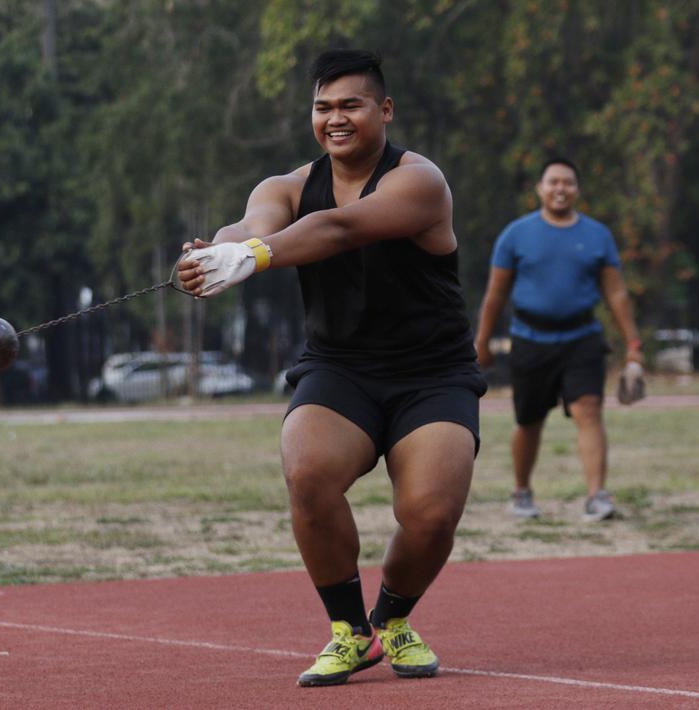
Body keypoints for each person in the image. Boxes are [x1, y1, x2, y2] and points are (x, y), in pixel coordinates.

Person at [177, 49, 485, 688]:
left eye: (351, 105)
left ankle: (393, 619)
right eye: (324, 107)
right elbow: (255, 220)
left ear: (384, 110)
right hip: (340, 368)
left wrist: (257, 255)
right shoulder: (285, 185)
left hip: (432, 374)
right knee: (308, 472)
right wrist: (222, 251)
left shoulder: (418, 181)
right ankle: (351, 632)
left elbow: (343, 228)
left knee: (430, 513)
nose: (335, 119)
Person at [474, 158, 643, 522]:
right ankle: (521, 493)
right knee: (529, 420)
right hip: (530, 340)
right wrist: (482, 342)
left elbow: (616, 295)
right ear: (540, 188)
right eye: (553, 182)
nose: (560, 189)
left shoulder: (598, 236)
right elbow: (495, 295)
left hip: (582, 338)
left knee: (589, 411)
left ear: (577, 189)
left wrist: (633, 346)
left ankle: (597, 496)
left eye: (568, 182)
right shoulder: (516, 235)